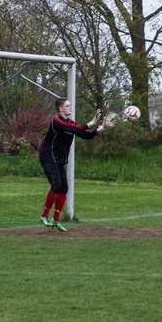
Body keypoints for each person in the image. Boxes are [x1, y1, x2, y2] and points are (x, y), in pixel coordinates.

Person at [38, 97, 112, 231]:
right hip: (48, 156)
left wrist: (102, 128)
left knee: (64, 189)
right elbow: (76, 128)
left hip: (59, 159)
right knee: (56, 186)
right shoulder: (57, 121)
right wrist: (92, 122)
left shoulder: (71, 123)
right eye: (68, 106)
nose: (70, 107)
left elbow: (85, 134)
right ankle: (44, 216)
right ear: (61, 109)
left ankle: (56, 220)